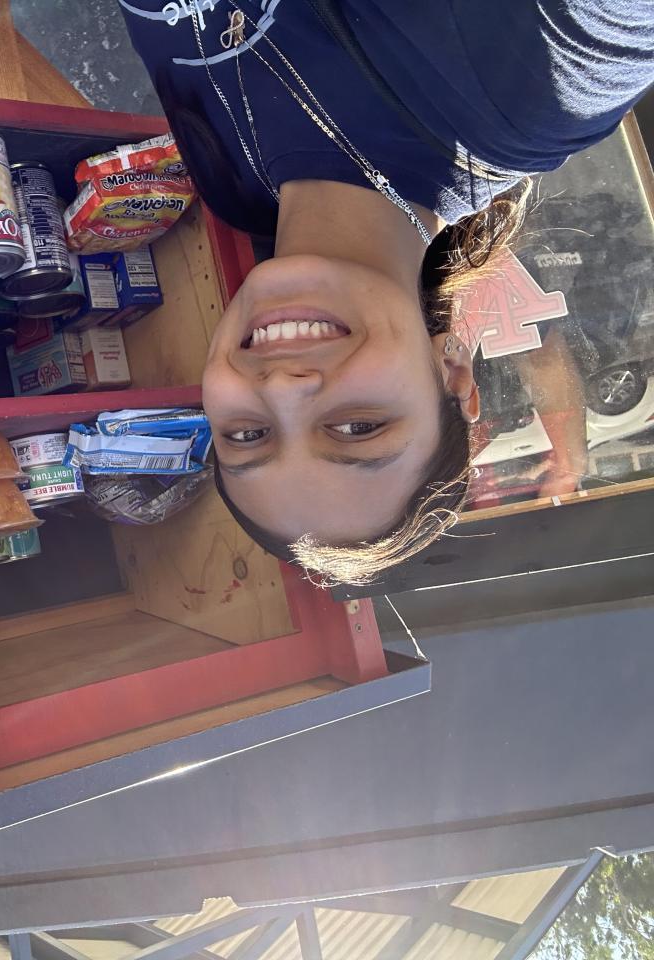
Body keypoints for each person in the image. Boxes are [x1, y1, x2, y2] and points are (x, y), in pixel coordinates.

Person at [117, 0, 654, 584]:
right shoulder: (534, 91)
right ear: (454, 374)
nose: (283, 388)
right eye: (359, 428)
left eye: (247, 435)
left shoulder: (232, 188)